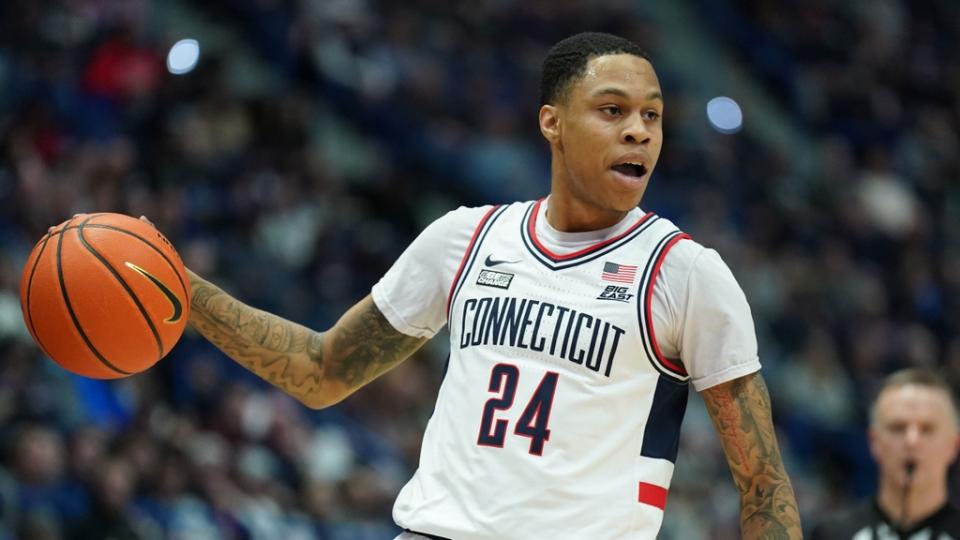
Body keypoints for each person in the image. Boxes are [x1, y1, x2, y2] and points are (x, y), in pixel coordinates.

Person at [174, 32, 801, 539]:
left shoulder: (686, 274)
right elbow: (322, 370)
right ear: (552, 123)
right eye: (613, 110)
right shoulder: (467, 239)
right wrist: (185, 290)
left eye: (653, 116)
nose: (639, 130)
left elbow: (763, 488)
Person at [811, 368, 960, 539]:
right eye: (897, 428)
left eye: (927, 429)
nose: (912, 441)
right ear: (873, 441)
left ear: (954, 445)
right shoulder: (832, 534)